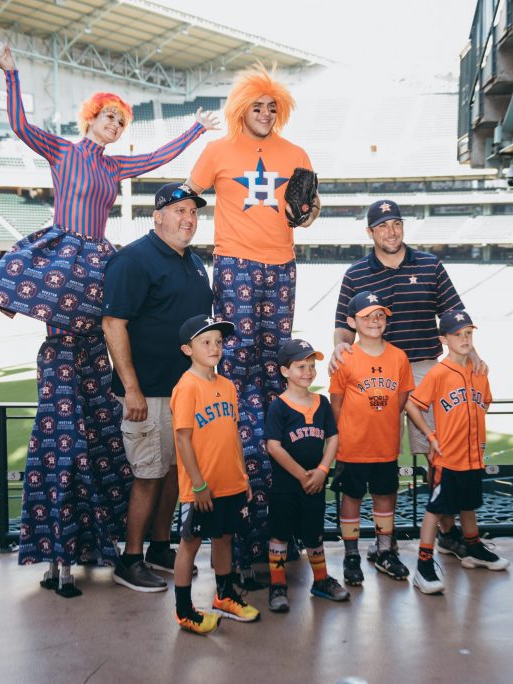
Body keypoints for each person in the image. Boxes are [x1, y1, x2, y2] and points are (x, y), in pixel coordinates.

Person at [0, 42, 218, 596]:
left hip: (93, 259)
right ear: (91, 119)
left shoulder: (116, 165)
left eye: (119, 120)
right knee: (68, 377)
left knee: (96, 390)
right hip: (66, 255)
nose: (112, 125)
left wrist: (196, 132)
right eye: (107, 116)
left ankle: (107, 545)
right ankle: (64, 553)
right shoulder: (64, 151)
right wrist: (13, 72)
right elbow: (19, 125)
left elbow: (156, 162)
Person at [186, 64, 319, 585]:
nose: (264, 115)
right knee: (237, 364)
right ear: (242, 109)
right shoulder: (218, 151)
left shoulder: (297, 154)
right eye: (256, 107)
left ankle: (271, 437)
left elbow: (307, 215)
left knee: (275, 361)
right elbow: (188, 198)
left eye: (271, 108)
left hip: (281, 263)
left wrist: (305, 213)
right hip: (236, 262)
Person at [330, 200, 487, 563]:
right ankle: (384, 541)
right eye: (383, 226)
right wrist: (339, 349)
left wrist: (472, 352)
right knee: (374, 456)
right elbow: (343, 326)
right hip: (373, 370)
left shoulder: (430, 265)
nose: (391, 231)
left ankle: (446, 532)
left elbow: (452, 314)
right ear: (370, 232)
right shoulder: (356, 274)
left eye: (396, 223)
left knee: (439, 454)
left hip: (423, 368)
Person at [101, 183, 214, 592]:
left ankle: (159, 546)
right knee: (148, 474)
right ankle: (129, 559)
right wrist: (130, 387)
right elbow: (113, 324)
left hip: (184, 390)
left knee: (171, 472)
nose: (188, 218)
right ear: (158, 216)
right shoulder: (134, 259)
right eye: (179, 210)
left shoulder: (194, 262)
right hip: (147, 392)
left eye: (193, 212)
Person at [405, 310, 509, 595]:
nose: (464, 339)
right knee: (435, 510)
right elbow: (413, 405)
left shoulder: (479, 372)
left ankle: (473, 548)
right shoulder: (439, 372)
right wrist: (430, 436)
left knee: (469, 504)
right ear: (443, 339)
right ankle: (423, 565)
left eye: (468, 334)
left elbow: (484, 403)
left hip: (473, 455)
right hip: (447, 457)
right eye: (457, 334)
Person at [170, 314, 261, 635]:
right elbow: (182, 438)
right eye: (205, 342)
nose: (214, 347)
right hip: (201, 487)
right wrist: (198, 484)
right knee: (190, 543)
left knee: (225, 538)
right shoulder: (186, 386)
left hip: (230, 482)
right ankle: (184, 611)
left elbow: (233, 433)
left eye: (219, 342)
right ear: (187, 349)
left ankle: (224, 596)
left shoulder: (226, 385)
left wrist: (243, 477)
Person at [328, 291, 415, 586]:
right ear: (352, 321)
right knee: (351, 499)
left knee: (384, 499)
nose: (375, 321)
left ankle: (384, 550)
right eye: (366, 317)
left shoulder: (399, 357)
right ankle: (351, 554)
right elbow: (336, 405)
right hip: (353, 446)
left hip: (385, 446)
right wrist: (338, 440)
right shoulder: (346, 358)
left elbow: (401, 400)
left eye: (380, 315)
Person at [264, 339, 350, 612]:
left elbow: (333, 438)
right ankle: (277, 585)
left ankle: (321, 580)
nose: (309, 372)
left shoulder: (322, 403)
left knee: (314, 535)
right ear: (284, 371)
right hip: (287, 485)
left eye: (312, 366)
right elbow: (273, 446)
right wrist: (303, 475)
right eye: (301, 366)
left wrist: (323, 470)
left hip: (315, 483)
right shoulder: (279, 406)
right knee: (279, 535)